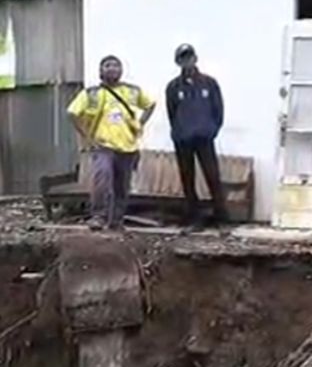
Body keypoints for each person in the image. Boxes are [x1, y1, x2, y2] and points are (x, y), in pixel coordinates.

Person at [67, 55, 156, 231]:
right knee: (102, 177)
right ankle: (98, 216)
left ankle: (117, 221)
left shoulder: (132, 91)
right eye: (107, 65)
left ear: (121, 70)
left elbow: (150, 104)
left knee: (122, 185)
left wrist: (141, 123)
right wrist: (86, 136)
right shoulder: (91, 94)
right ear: (101, 71)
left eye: (116, 65)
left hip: (128, 145)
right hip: (102, 145)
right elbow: (72, 113)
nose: (112, 68)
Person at [166, 44, 229, 228]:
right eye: (183, 58)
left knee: (213, 177)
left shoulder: (209, 83)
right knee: (188, 179)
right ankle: (194, 218)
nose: (187, 61)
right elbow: (172, 112)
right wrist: (179, 131)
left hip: (204, 138)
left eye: (190, 56)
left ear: (195, 58)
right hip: (183, 139)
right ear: (178, 61)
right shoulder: (173, 86)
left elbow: (218, 110)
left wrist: (212, 130)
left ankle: (222, 218)